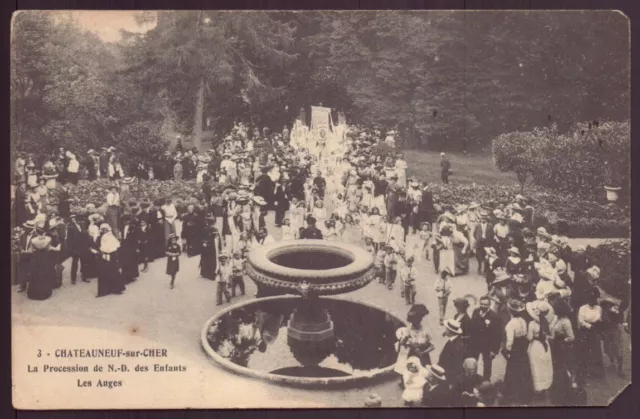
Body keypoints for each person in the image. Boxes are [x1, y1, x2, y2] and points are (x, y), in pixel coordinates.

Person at [501, 299, 533, 405]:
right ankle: (524, 395)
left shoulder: (511, 324)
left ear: (510, 311)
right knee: (523, 371)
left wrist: (507, 350)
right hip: (522, 348)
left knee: (512, 371)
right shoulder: (523, 320)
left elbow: (510, 340)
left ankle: (510, 395)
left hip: (515, 349)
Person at [549, 297, 577, 405]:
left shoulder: (566, 322)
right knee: (556, 365)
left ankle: (566, 387)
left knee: (562, 366)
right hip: (555, 345)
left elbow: (571, 337)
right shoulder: (556, 318)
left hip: (562, 346)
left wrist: (562, 339)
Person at [469, 295, 502, 381]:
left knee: (487, 364)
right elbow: (472, 328)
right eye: (481, 304)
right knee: (473, 363)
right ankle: (473, 380)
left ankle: (486, 382)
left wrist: (494, 350)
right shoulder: (476, 312)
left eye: (485, 304)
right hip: (475, 344)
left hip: (487, 346)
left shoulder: (494, 317)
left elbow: (497, 335)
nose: (483, 306)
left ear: (489, 305)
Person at [526, 300, 554, 396]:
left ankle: (537, 389)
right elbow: (550, 335)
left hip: (536, 346)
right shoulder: (546, 322)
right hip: (545, 345)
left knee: (535, 366)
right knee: (544, 366)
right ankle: (545, 386)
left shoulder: (532, 324)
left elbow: (529, 338)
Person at [395, 304, 435, 371]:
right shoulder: (407, 330)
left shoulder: (425, 330)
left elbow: (432, 346)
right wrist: (406, 336)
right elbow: (401, 343)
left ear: (420, 320)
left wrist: (423, 353)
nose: (414, 324)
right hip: (411, 356)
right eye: (412, 322)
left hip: (424, 357)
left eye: (416, 321)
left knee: (424, 375)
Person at [577, 286, 604, 380]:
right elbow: (581, 321)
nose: (592, 301)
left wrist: (594, 324)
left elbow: (599, 318)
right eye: (590, 299)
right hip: (585, 331)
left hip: (595, 331)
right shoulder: (583, 308)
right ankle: (585, 371)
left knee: (596, 351)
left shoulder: (598, 308)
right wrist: (589, 325)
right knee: (585, 351)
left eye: (594, 299)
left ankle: (596, 372)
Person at [96, 224, 126, 297]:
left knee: (114, 272)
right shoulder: (101, 237)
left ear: (108, 229)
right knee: (103, 274)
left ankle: (117, 289)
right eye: (103, 230)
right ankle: (104, 291)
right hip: (103, 256)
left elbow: (115, 246)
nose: (104, 231)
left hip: (111, 256)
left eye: (105, 229)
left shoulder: (111, 237)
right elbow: (98, 245)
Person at [26, 232, 56, 301]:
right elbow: (49, 249)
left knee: (36, 273)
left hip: (36, 258)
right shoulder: (48, 239)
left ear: (37, 232)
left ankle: (34, 293)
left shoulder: (33, 240)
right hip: (45, 257)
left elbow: (31, 250)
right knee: (44, 273)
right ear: (44, 233)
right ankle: (45, 292)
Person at [600, 298, 625, 377]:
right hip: (606, 332)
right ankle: (612, 363)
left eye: (609, 304)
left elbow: (621, 320)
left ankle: (620, 369)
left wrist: (617, 313)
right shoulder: (603, 312)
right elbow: (602, 323)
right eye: (606, 304)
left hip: (615, 331)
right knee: (607, 349)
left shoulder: (616, 312)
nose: (607, 306)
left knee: (617, 349)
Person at [438, 319, 465, 384]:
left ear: (450, 331)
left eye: (446, 329)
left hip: (449, 378)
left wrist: (443, 372)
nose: (445, 330)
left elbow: (457, 367)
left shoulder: (457, 346)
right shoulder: (453, 341)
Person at [120, 215, 139, 284]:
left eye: (126, 221)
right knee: (125, 261)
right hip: (124, 245)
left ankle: (130, 276)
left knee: (131, 261)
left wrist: (136, 247)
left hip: (131, 246)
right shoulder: (122, 228)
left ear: (129, 221)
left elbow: (135, 238)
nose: (125, 222)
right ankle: (127, 276)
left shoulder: (133, 227)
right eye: (124, 221)